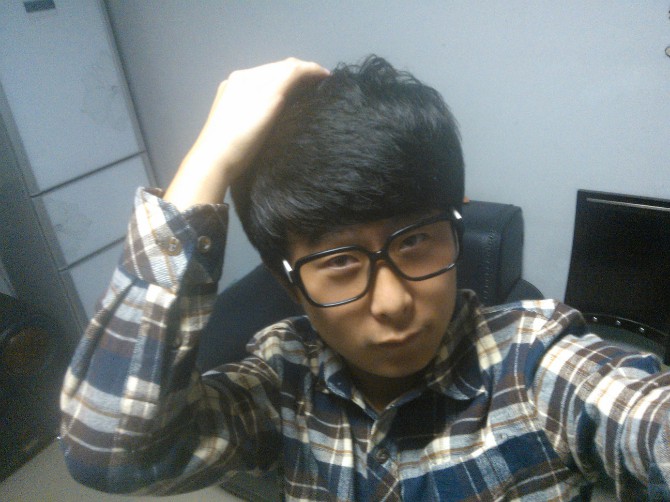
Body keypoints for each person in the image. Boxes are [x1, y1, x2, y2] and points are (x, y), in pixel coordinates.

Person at [60, 56, 670, 500]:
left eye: (415, 240)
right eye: (339, 261)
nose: (393, 302)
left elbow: (644, 417)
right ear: (288, 280)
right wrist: (210, 158)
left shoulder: (535, 364)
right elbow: (110, 452)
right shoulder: (281, 386)